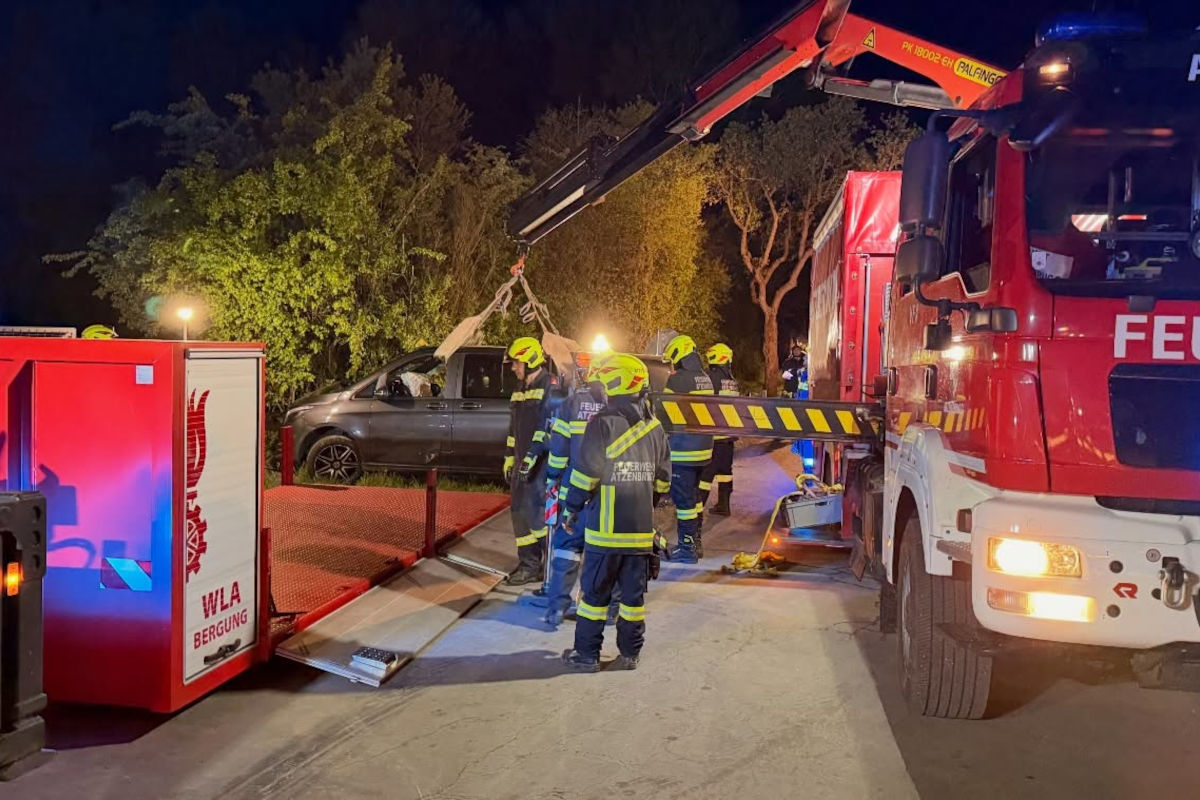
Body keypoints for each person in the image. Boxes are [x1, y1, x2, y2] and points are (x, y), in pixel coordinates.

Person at [559, 353, 671, 672]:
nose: (602, 388)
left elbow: (585, 475)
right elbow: (663, 480)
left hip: (605, 533)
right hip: (638, 534)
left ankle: (587, 656)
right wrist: (644, 506)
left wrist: (571, 508)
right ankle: (630, 654)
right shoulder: (655, 427)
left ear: (617, 383)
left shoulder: (602, 423)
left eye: (606, 382)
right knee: (632, 601)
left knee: (594, 597)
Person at [520, 351, 610, 626]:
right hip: (609, 491)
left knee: (567, 546)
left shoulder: (571, 404)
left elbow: (558, 450)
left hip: (574, 487)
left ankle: (557, 607)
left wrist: (554, 478)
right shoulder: (619, 407)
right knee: (605, 549)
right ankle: (604, 608)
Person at [503, 336, 563, 585]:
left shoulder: (550, 385)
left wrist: (531, 457)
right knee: (519, 512)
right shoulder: (520, 389)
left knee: (538, 515)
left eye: (516, 363)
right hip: (521, 463)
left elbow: (546, 427)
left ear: (529, 360)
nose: (513, 367)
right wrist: (509, 458)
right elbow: (513, 429)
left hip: (541, 464)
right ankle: (528, 564)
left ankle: (549, 565)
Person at [661, 334, 714, 563]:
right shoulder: (705, 378)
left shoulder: (677, 381)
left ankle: (687, 549)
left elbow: (664, 413)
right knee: (695, 498)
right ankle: (696, 542)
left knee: (683, 502)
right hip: (704, 450)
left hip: (683, 450)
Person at [699, 343, 738, 516]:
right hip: (729, 436)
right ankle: (724, 505)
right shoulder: (731, 381)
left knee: (706, 473)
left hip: (714, 436)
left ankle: (697, 508)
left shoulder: (711, 378)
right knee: (725, 471)